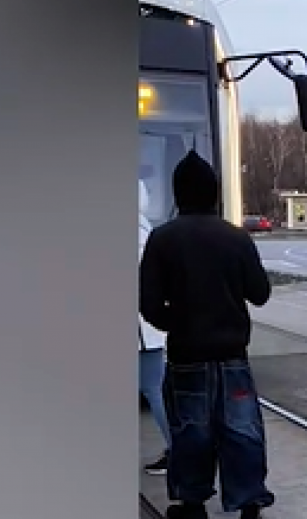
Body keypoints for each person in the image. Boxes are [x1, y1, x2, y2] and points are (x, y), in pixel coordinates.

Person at [140, 151, 274, 519]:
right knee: (242, 431)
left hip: (186, 357)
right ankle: (249, 503)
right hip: (233, 356)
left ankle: (193, 503)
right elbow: (260, 293)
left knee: (191, 432)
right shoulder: (236, 238)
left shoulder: (162, 239)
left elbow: (148, 303)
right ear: (214, 193)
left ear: (177, 193)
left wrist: (177, 322)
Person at [138, 180, 170, 476]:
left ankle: (178, 449)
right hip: (146, 330)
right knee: (153, 388)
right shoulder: (146, 229)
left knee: (153, 388)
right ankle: (179, 448)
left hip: (140, 331)